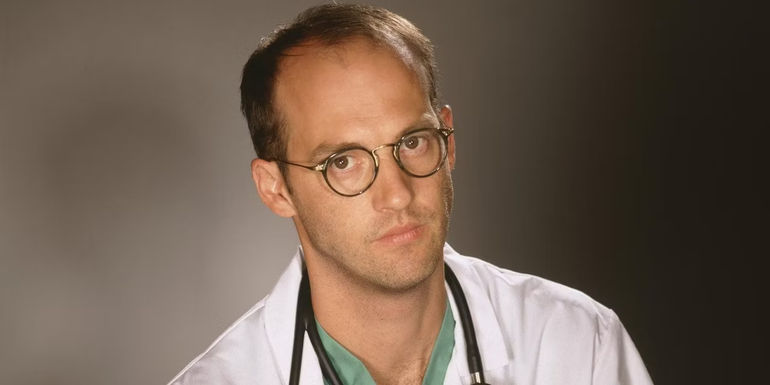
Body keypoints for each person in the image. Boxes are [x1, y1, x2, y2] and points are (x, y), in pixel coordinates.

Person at [168, 4, 653, 385]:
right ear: (276, 189)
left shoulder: (577, 344)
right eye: (343, 161)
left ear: (449, 139)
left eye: (413, 142)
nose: (397, 194)